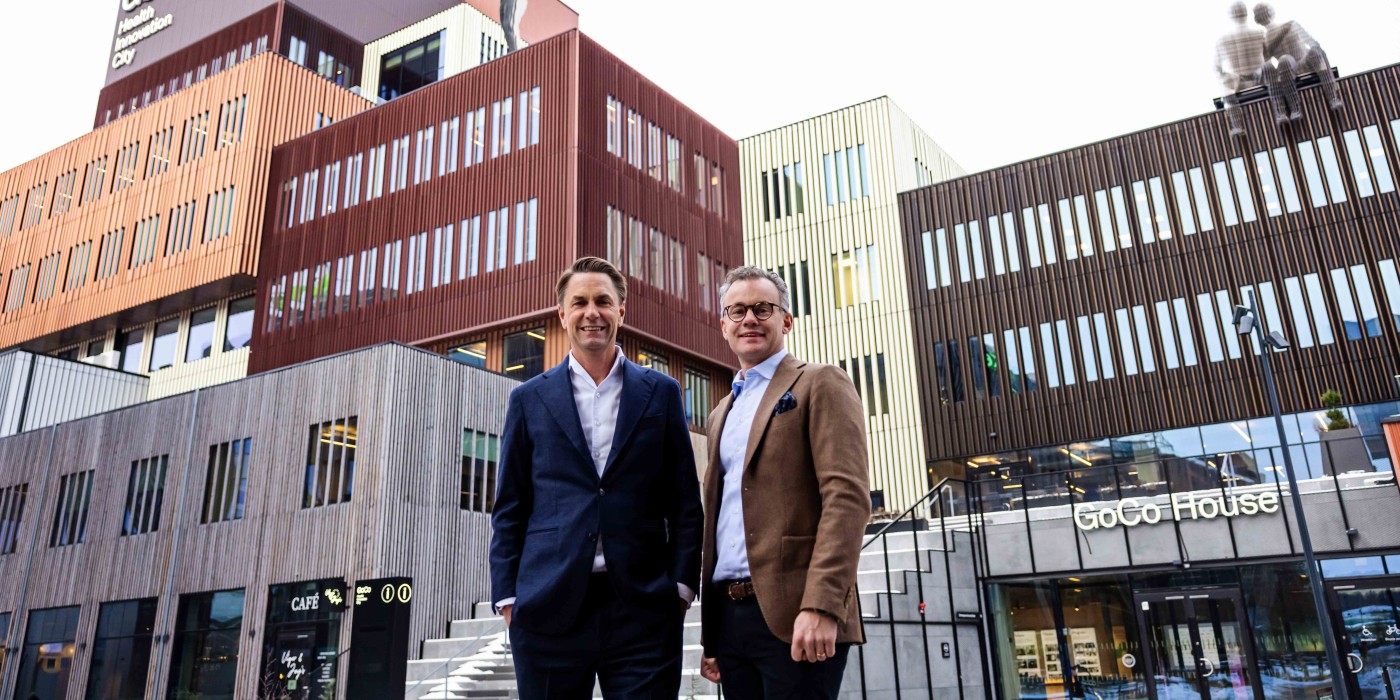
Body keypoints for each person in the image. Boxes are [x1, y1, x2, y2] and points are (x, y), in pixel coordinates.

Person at [489, 256, 703, 699]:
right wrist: (509, 599)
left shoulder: (660, 392)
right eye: (580, 302)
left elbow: (684, 500)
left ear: (621, 311)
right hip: (549, 607)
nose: (593, 312)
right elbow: (510, 506)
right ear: (562, 314)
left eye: (603, 301)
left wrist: (681, 587)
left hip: (642, 609)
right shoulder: (528, 399)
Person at [698, 266, 871, 699]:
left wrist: (822, 605)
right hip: (731, 619)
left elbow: (847, 498)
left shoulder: (820, 382)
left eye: (762, 308)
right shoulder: (721, 412)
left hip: (797, 613)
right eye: (737, 311)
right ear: (723, 325)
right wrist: (713, 632)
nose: (749, 319)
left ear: (786, 320)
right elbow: (719, 522)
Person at [1215, 1, 1291, 135]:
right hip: (1241, 82)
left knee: (1266, 67)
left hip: (1255, 79)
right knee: (1226, 83)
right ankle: (1238, 124)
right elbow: (1216, 68)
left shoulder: (1255, 34)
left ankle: (1280, 113)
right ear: (1246, 14)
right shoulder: (1252, 34)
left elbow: (1216, 68)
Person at [1255, 3, 1344, 111]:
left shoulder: (1291, 25)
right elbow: (1265, 64)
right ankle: (1295, 108)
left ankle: (1333, 97)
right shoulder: (1266, 39)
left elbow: (1312, 43)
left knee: (1315, 51)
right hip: (1288, 70)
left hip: (1304, 62)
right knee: (1285, 60)